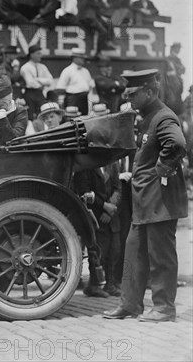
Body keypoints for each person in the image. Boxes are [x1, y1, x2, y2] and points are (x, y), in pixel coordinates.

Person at [103, 69, 188, 322]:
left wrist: (160, 171)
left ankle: (164, 307)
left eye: (133, 94)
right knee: (133, 254)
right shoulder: (145, 117)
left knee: (160, 255)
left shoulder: (163, 118)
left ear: (150, 92)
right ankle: (130, 304)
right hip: (144, 202)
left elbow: (177, 145)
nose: (128, 99)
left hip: (160, 200)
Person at [74, 161, 122, 298]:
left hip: (111, 215)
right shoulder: (85, 166)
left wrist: (110, 208)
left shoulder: (112, 164)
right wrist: (104, 206)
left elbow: (118, 188)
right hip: (95, 215)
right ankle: (94, 285)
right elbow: (84, 192)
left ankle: (110, 284)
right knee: (98, 251)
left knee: (115, 250)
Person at [56, 48, 96, 115]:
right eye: (81, 58)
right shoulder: (67, 70)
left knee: (85, 118)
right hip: (73, 99)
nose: (83, 60)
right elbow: (60, 88)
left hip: (85, 99)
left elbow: (90, 85)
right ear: (74, 58)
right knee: (73, 119)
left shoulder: (85, 71)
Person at [20, 44, 54, 120]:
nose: (40, 56)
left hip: (40, 94)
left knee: (43, 113)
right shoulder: (25, 67)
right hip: (29, 94)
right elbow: (30, 83)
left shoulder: (42, 66)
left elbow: (50, 80)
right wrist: (42, 83)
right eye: (38, 53)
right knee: (31, 116)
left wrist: (38, 79)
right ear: (31, 55)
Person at [164, 42, 186, 116]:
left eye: (179, 48)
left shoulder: (177, 59)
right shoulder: (169, 59)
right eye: (177, 47)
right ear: (173, 48)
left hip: (176, 84)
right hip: (171, 83)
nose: (179, 49)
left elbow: (183, 70)